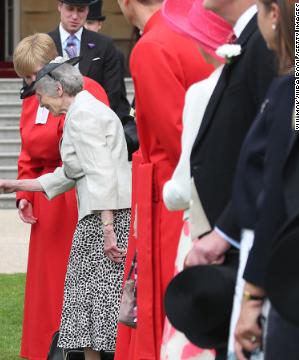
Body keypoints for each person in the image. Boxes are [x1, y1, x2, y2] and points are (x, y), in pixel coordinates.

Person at [0, 59, 131, 360]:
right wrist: (12, 184)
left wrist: (108, 230)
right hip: (103, 214)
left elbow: (101, 173)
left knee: (94, 306)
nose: (40, 104)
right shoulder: (83, 109)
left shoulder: (82, 116)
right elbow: (68, 175)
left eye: (41, 97)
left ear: (57, 89)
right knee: (87, 305)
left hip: (104, 217)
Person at [113, 0, 213, 356]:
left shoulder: (153, 46)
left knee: (160, 302)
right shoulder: (193, 34)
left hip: (169, 192)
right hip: (193, 182)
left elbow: (174, 140)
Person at [184, 0, 277, 355]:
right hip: (237, 241)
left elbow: (279, 154)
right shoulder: (252, 39)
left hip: (251, 242)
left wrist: (224, 233)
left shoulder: (268, 42)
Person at [12, 33, 109, 360]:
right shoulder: (31, 99)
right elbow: (27, 149)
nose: (29, 83)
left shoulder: (87, 89)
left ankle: (78, 351)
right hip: (45, 200)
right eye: (25, 77)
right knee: (47, 285)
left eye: (32, 74)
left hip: (76, 194)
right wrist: (23, 193)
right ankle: (45, 350)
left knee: (79, 280)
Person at [157, 0, 232, 357]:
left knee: (195, 334)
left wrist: (162, 189)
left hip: (203, 226)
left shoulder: (202, 93)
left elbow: (184, 184)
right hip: (246, 223)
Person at [231, 0, 299, 358]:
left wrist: (253, 295)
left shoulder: (294, 94)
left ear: (275, 14)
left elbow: (279, 188)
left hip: (292, 276)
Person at [48, 0, 132, 134]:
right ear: (59, 6)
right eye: (70, 9)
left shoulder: (105, 45)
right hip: (53, 127)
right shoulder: (44, 44)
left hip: (95, 126)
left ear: (87, 10)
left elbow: (113, 93)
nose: (75, 16)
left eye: (80, 10)